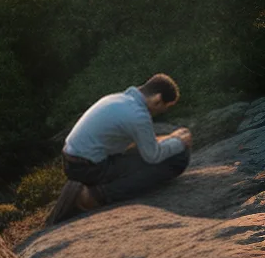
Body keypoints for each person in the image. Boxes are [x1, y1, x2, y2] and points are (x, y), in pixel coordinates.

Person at [45, 73, 192, 225]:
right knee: (175, 161)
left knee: (161, 155)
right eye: (163, 108)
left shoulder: (118, 99)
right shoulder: (138, 115)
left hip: (74, 161)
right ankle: (93, 197)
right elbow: (152, 156)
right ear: (158, 100)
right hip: (88, 168)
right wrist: (179, 142)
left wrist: (170, 139)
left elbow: (139, 144)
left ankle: (89, 190)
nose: (160, 113)